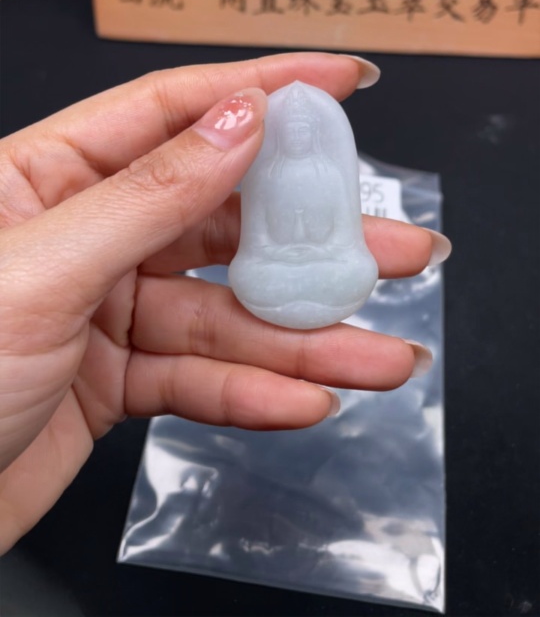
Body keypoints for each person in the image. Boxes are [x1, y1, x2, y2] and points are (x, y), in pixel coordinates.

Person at [0, 52, 451, 554]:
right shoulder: (271, 171)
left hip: (322, 258)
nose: (298, 136)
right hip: (279, 262)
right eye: (291, 131)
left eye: (305, 130)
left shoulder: (327, 171)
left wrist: (314, 249)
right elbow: (265, 235)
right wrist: (286, 251)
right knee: (259, 272)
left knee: (350, 267)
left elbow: (335, 233)